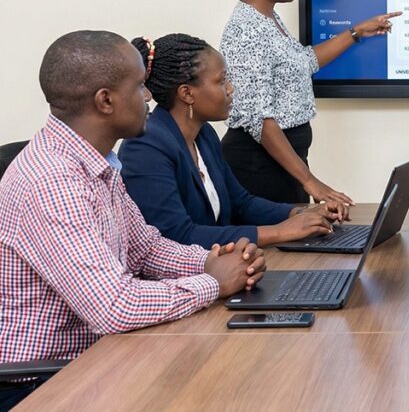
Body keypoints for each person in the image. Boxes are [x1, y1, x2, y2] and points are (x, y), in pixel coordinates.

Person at [0, 31, 265, 410]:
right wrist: (212, 282)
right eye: (140, 86)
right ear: (105, 101)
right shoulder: (52, 182)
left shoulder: (97, 164)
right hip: (39, 384)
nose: (148, 97)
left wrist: (212, 260)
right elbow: (113, 306)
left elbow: (147, 249)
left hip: (96, 357)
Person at [204, 0, 401, 206]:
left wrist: (357, 32)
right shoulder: (246, 30)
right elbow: (259, 119)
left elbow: (304, 62)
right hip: (258, 169)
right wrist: (310, 181)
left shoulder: (268, 19)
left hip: (285, 164)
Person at [119, 34, 343, 249]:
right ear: (187, 94)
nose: (230, 89)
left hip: (220, 268)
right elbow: (176, 236)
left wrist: (299, 214)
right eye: (221, 80)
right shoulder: (145, 147)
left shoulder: (204, 134)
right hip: (179, 280)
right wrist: (280, 232)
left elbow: (241, 203)